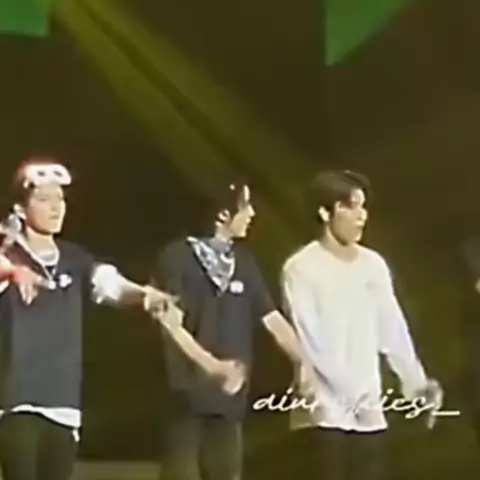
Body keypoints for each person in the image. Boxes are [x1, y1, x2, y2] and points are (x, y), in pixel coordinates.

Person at [0, 159, 243, 480]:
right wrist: (14, 270)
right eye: (44, 199)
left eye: (60, 199)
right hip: (17, 402)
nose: (56, 208)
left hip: (63, 404)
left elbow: (111, 285)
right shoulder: (9, 254)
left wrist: (144, 294)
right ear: (21, 208)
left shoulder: (75, 259)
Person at [282, 169, 442, 480]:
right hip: (323, 415)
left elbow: (393, 330)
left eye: (363, 206)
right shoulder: (301, 268)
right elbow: (310, 341)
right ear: (325, 212)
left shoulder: (373, 265)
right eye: (351, 206)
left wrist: (416, 385)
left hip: (369, 415)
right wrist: (350, 392)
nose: (361, 216)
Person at [152, 180, 315, 480]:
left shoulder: (244, 262)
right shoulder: (176, 257)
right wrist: (213, 366)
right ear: (223, 214)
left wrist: (302, 362)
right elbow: (170, 323)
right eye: (245, 205)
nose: (252, 213)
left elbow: (272, 319)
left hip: (229, 405)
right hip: (186, 401)